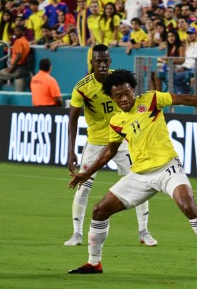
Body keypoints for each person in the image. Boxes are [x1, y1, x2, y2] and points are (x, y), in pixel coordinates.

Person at [68, 69, 197, 275]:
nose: (124, 98)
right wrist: (86, 172)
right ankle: (94, 263)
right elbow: (110, 151)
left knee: (188, 205)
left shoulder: (152, 99)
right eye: (118, 96)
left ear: (133, 90)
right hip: (140, 176)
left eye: (127, 93)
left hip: (168, 168)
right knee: (99, 210)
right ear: (112, 97)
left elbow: (186, 99)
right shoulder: (117, 122)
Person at [64, 45, 157, 247]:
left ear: (110, 61)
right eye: (99, 61)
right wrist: (71, 149)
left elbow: (134, 105)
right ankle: (77, 234)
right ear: (92, 63)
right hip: (96, 142)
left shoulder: (119, 80)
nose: (103, 64)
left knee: (140, 182)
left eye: (106, 60)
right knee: (84, 186)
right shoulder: (82, 87)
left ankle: (144, 231)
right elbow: (72, 118)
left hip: (121, 140)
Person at [0, 25, 30, 92]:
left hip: (18, 68)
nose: (15, 33)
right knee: (19, 85)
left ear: (22, 32)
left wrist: (12, 68)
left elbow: (19, 56)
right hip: (24, 69)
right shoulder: (26, 41)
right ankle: (19, 99)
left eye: (16, 31)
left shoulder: (18, 41)